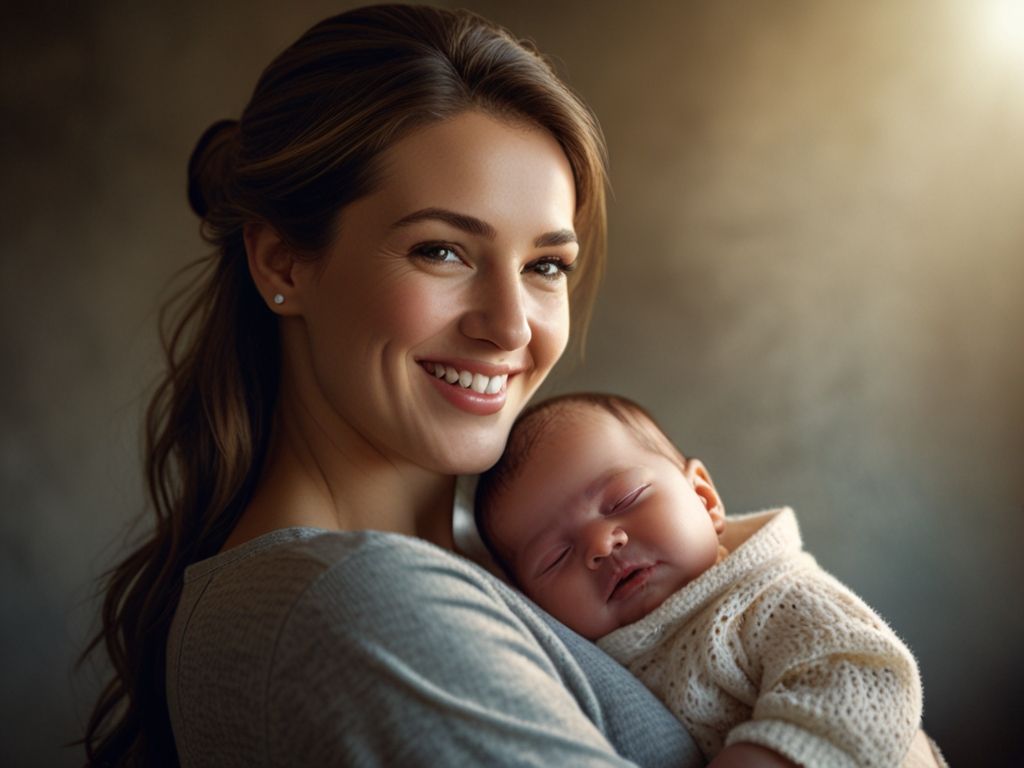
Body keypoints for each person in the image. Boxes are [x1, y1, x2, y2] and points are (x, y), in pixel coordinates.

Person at [81, 6, 711, 767]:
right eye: (442, 250)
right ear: (284, 264)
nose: (511, 327)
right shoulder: (363, 606)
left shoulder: (533, 554)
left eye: (545, 265)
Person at [474, 392, 947, 768]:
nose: (601, 544)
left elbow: (865, 677)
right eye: (556, 557)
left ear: (704, 497)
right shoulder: (587, 668)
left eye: (624, 499)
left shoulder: (770, 595)